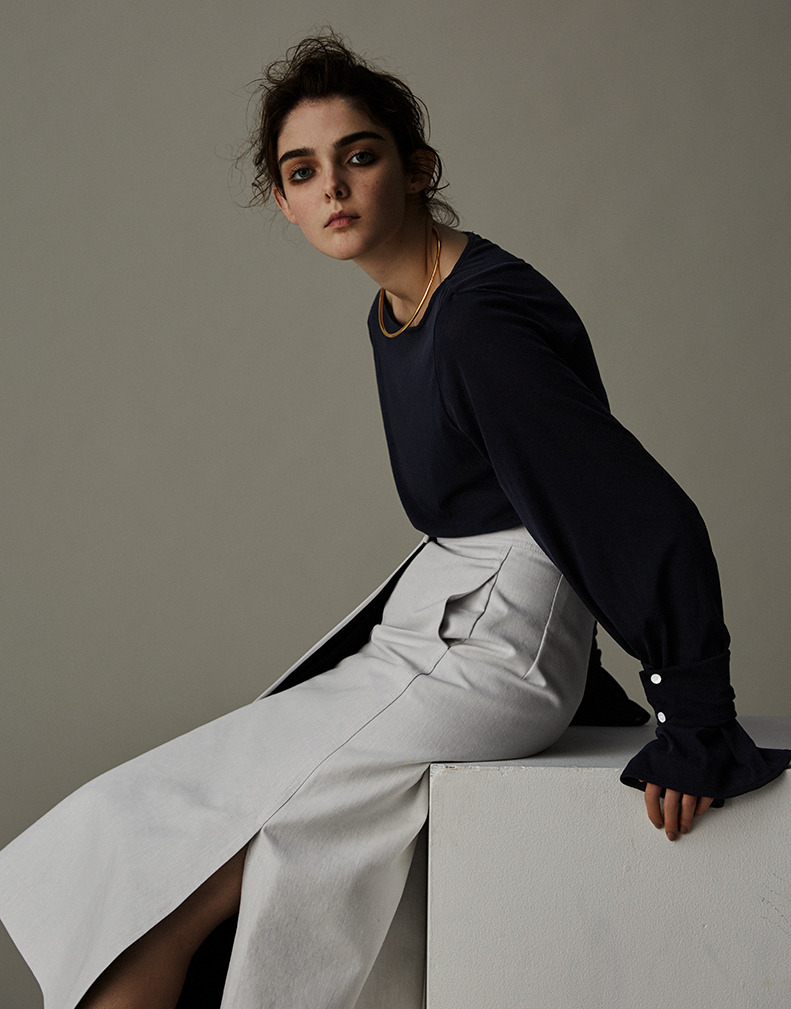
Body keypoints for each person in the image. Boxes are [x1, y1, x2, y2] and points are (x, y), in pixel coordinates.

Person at [0, 30, 788, 1009]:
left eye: (358, 156)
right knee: (145, 822)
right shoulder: (399, 307)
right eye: (303, 171)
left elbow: (630, 510)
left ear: (415, 169)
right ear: (283, 202)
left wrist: (693, 716)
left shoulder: (476, 322)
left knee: (175, 876)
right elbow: (514, 494)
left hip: (487, 648)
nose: (332, 187)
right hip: (439, 625)